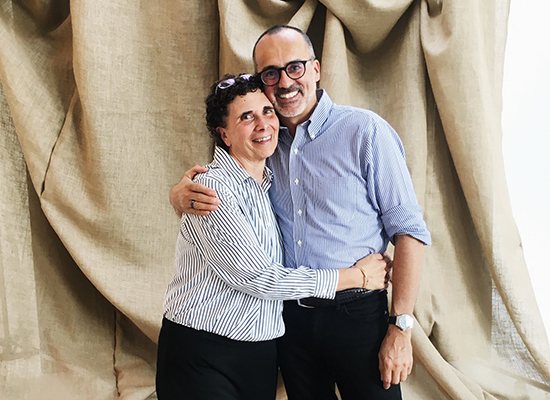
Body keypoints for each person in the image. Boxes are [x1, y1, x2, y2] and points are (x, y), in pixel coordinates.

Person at [170, 26, 431, 400]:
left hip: (357, 315)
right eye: (271, 73)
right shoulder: (264, 141)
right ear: (261, 80)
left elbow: (409, 232)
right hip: (288, 321)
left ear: (316, 69)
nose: (285, 82)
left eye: (295, 67)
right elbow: (220, 186)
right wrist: (178, 195)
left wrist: (401, 328)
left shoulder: (366, 132)